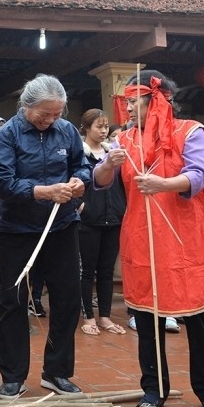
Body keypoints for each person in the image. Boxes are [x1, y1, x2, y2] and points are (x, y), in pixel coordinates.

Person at [93, 69, 204, 407]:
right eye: (126, 102)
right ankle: (154, 388)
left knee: (199, 321)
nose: (128, 109)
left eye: (134, 101)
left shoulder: (190, 131)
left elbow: (198, 174)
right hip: (142, 239)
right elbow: (100, 180)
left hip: (184, 240)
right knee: (147, 321)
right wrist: (108, 165)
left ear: (156, 99)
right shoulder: (125, 140)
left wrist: (161, 184)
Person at [0, 74, 90, 399]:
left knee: (66, 298)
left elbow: (83, 164)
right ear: (26, 105)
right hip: (17, 230)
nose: (50, 120)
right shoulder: (6, 135)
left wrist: (79, 180)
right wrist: (45, 191)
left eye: (57, 114)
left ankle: (57, 372)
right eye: (44, 114)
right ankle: (13, 375)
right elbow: (4, 184)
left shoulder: (68, 131)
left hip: (61, 226)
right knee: (13, 301)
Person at [77, 109, 126, 336]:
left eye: (106, 126)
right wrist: (81, 206)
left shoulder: (113, 153)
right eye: (99, 126)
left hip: (113, 218)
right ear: (86, 128)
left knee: (106, 271)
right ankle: (88, 316)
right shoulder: (79, 153)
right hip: (89, 220)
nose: (104, 131)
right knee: (87, 271)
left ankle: (105, 316)